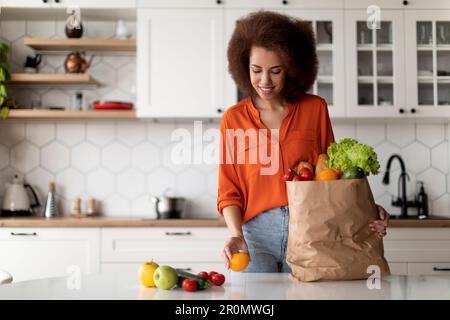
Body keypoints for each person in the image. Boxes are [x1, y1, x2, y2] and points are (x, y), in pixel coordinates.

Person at [217, 11, 389, 273]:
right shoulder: (233, 118)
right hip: (254, 238)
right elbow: (228, 189)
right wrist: (235, 233)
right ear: (243, 66)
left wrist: (364, 207)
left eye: (276, 71)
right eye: (256, 70)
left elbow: (333, 176)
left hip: (309, 231)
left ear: (292, 69)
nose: (265, 81)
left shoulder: (315, 109)